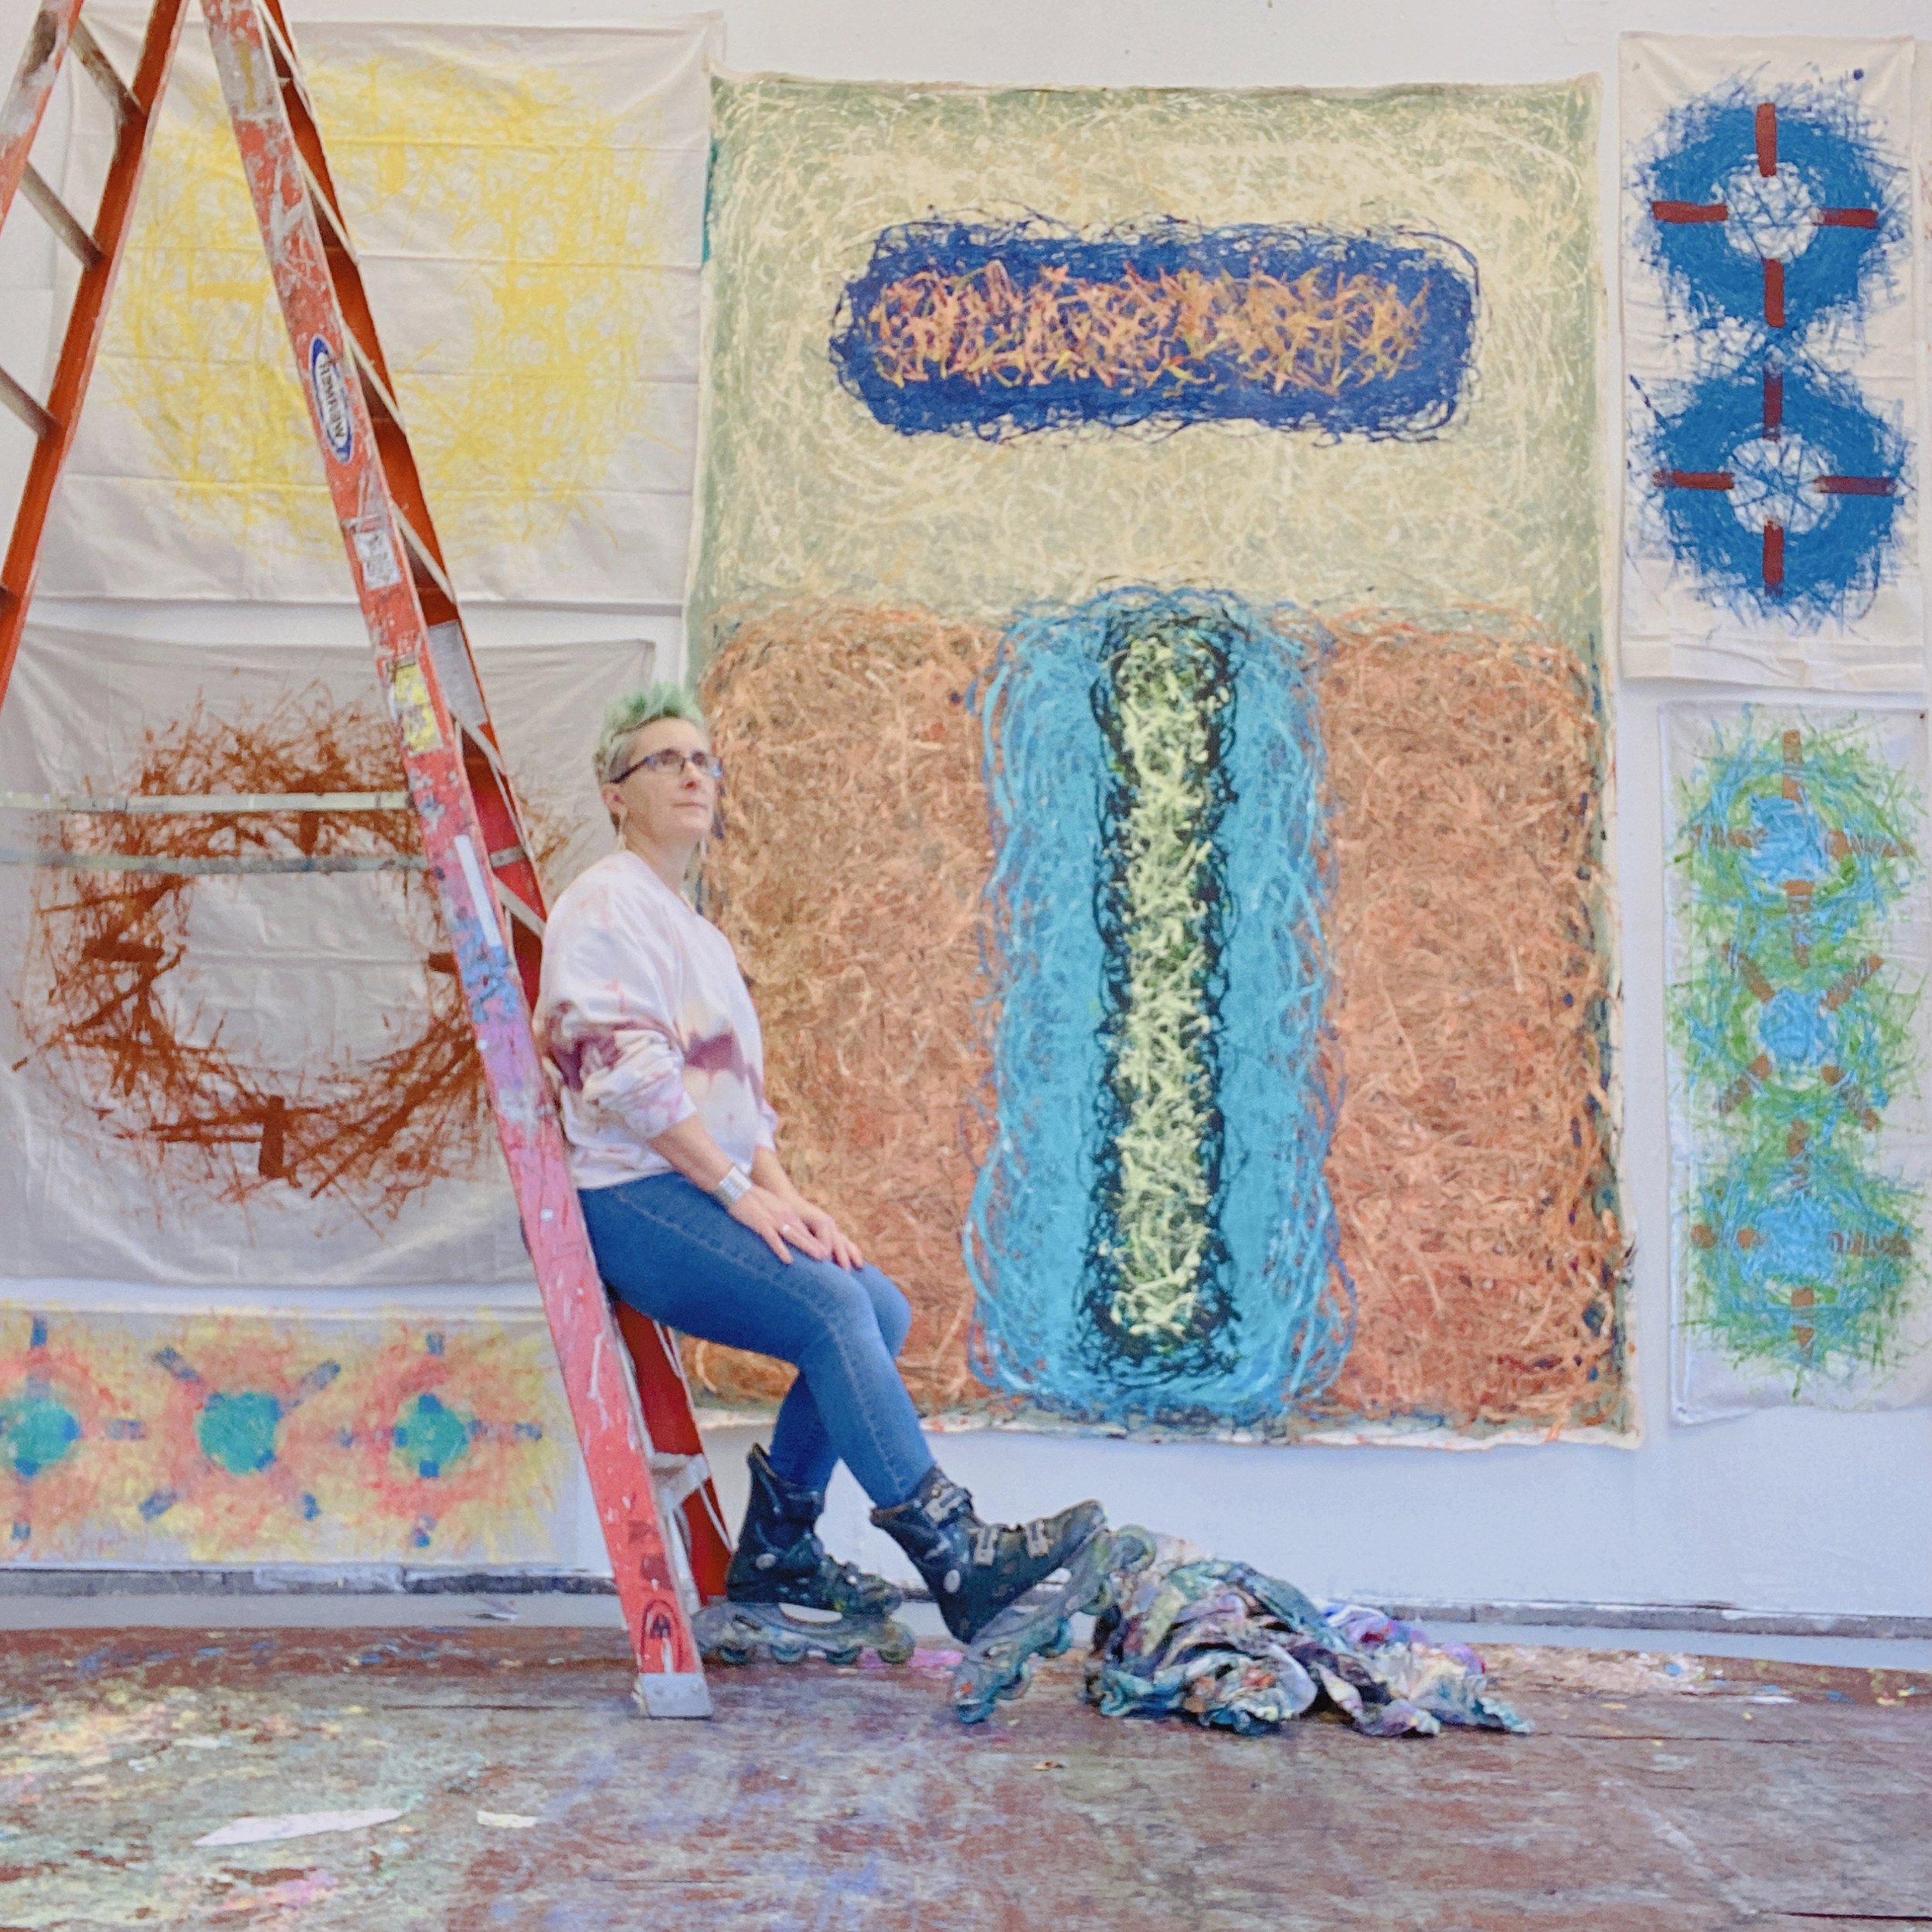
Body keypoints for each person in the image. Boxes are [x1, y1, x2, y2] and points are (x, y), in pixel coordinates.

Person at [535, 683, 1101, 1643]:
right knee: (834, 1308)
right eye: (665, 760)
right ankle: (956, 1555)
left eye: (703, 759)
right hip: (632, 1196)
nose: (692, 775)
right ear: (615, 793)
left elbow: (737, 1103)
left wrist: (788, 1200)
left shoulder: (697, 931)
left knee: (877, 1304)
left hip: (694, 1185)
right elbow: (627, 1079)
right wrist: (736, 1194)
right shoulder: (603, 903)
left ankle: (776, 1549)